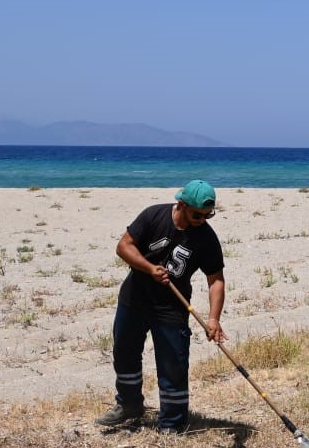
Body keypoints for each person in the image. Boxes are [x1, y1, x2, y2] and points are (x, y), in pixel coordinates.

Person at [96, 180, 227, 433]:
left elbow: (216, 280)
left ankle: (172, 424)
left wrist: (213, 319)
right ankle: (129, 405)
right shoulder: (153, 216)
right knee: (125, 355)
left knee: (173, 366)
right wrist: (149, 268)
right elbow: (124, 246)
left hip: (171, 309)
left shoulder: (206, 237)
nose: (202, 219)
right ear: (181, 204)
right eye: (197, 214)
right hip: (134, 300)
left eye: (208, 214)